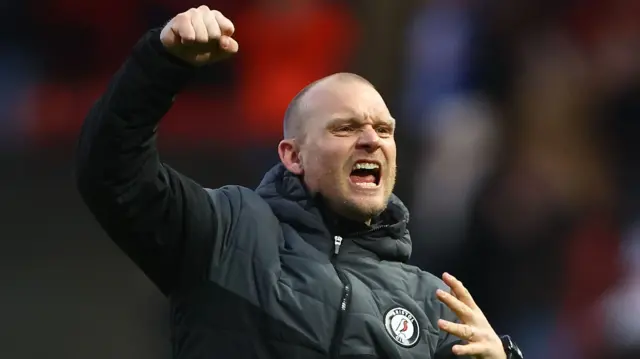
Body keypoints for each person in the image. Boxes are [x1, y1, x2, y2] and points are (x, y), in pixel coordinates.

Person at [75, 5, 523, 359]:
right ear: (293, 155)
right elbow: (110, 171)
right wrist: (160, 64)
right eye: (345, 128)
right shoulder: (225, 233)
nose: (371, 140)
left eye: (384, 130)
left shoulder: (432, 306)